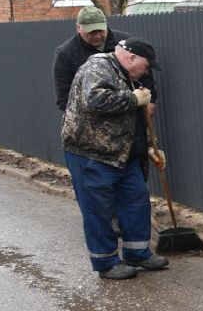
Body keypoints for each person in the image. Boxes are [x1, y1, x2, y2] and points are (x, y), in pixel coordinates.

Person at [60, 38, 169, 280]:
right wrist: (133, 99)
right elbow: (95, 100)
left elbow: (133, 119)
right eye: (146, 66)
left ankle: (137, 252)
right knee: (97, 209)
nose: (147, 71)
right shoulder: (97, 67)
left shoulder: (126, 75)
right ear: (131, 58)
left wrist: (151, 146)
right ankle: (106, 262)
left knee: (136, 201)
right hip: (91, 153)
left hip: (123, 153)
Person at [54, 5, 154, 176]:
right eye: (92, 32)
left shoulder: (125, 44)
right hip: (94, 147)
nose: (98, 35)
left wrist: (150, 99)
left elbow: (144, 74)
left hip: (129, 137)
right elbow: (65, 99)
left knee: (134, 197)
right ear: (79, 28)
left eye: (101, 30)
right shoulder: (66, 54)